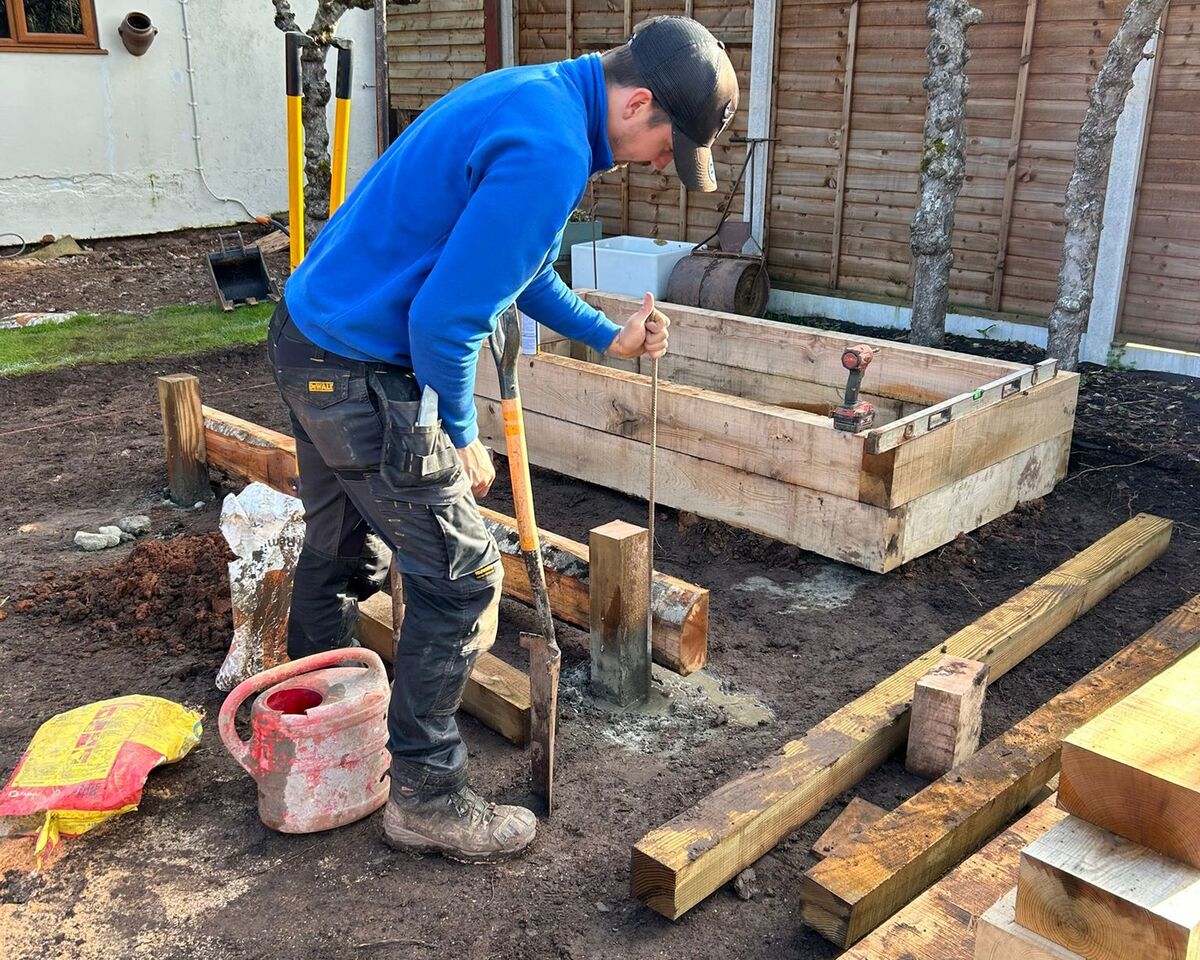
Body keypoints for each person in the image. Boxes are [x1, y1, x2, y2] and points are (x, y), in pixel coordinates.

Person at [267, 15, 739, 863]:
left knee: (342, 547)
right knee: (461, 575)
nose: (667, 166)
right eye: (672, 146)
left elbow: (523, 271)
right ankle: (427, 795)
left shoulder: (538, 98)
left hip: (310, 337)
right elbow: (444, 321)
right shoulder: (553, 148)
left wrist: (607, 335)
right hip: (358, 366)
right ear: (638, 104)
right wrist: (458, 433)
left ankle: (315, 727)